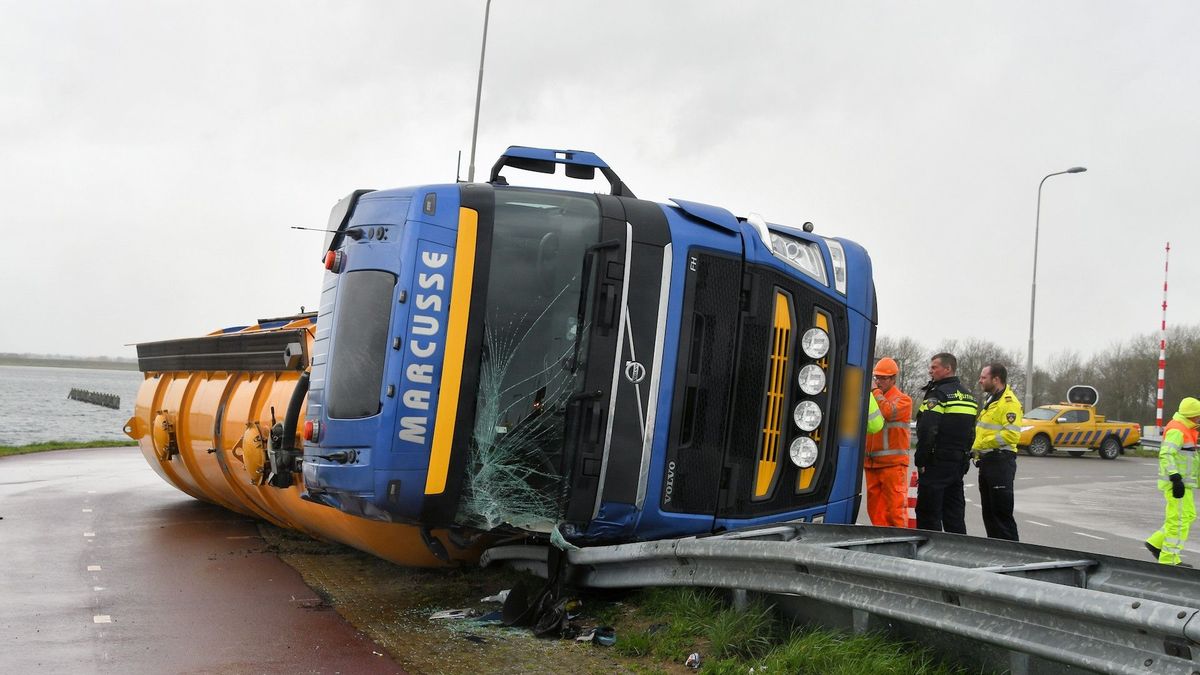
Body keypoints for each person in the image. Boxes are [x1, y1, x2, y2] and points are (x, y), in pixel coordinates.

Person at [913, 352, 977, 534]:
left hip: (936, 463)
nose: (930, 371)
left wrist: (921, 460)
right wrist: (965, 459)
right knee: (954, 515)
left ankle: (930, 550)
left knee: (928, 515)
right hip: (957, 464)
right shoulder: (969, 397)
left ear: (947, 369)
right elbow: (971, 433)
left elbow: (928, 430)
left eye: (934, 367)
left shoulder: (938, 394)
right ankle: (958, 549)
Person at [1145, 397, 1200, 566]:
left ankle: (1156, 543)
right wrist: (1175, 477)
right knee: (1178, 521)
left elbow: (1189, 457)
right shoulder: (1178, 430)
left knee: (1187, 516)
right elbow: (1166, 454)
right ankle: (1169, 560)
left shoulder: (1186, 428)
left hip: (1184, 484)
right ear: (1193, 415)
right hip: (1177, 484)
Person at [972, 363, 1023, 541]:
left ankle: (1012, 553)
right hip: (988, 461)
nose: (980, 380)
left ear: (996, 379)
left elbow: (1011, 435)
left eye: (983, 377)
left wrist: (983, 444)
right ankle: (995, 551)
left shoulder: (1009, 403)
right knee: (990, 514)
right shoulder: (992, 400)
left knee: (1001, 515)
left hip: (1000, 462)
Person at [864, 357, 913, 527]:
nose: (878, 381)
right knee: (875, 511)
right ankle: (881, 540)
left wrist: (874, 391)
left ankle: (900, 540)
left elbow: (888, 412)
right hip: (872, 464)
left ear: (893, 379)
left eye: (883, 378)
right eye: (876, 378)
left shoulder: (903, 400)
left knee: (895, 510)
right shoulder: (871, 400)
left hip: (893, 465)